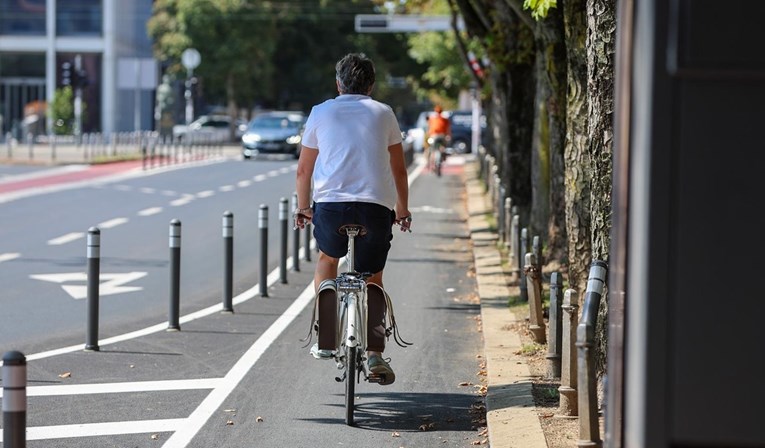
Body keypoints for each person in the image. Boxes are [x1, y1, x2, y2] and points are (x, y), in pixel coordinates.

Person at [294, 53, 411, 385]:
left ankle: (326, 335)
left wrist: (304, 208)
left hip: (331, 208)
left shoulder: (321, 112)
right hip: (375, 208)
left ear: (338, 84)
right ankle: (375, 352)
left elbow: (304, 169)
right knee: (373, 277)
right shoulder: (384, 113)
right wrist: (402, 210)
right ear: (371, 86)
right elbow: (399, 170)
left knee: (328, 259)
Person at [425, 105, 451, 172]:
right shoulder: (445, 119)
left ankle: (431, 164)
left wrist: (428, 135)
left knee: (432, 149)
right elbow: (448, 129)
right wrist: (448, 136)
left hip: (434, 136)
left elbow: (429, 128)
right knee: (443, 147)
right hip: (442, 136)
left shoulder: (432, 118)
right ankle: (443, 156)